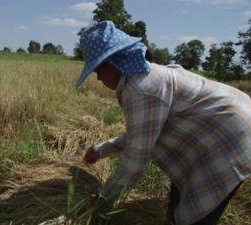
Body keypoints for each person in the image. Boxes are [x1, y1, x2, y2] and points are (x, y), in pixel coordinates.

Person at [77, 21, 251, 225]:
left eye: (98, 70)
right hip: (229, 125)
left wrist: (102, 204)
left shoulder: (141, 89)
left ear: (116, 62)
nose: (98, 78)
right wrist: (101, 150)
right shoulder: (144, 78)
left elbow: (135, 160)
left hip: (231, 138)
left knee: (197, 214)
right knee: (182, 193)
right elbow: (142, 134)